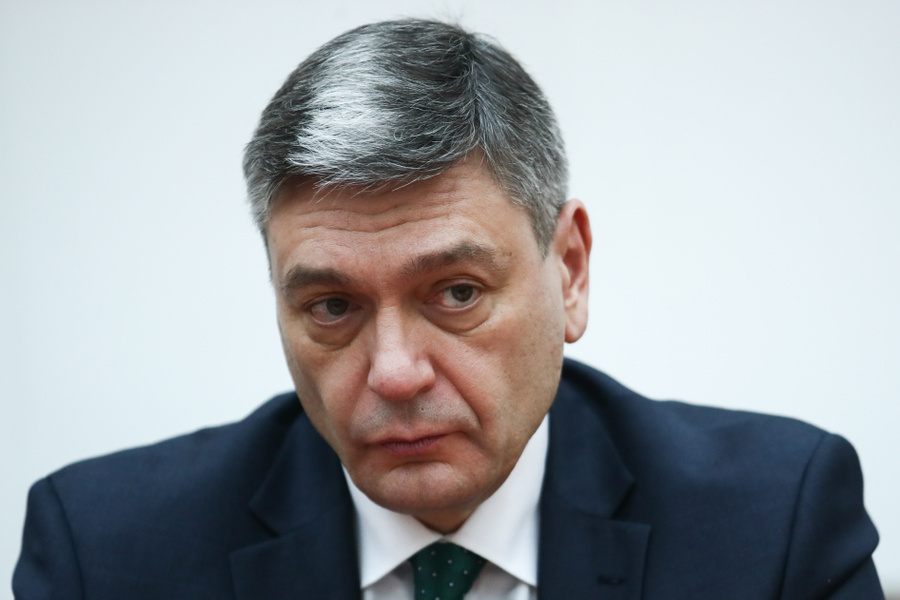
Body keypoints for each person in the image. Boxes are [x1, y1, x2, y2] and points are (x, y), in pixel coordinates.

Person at [14, 19, 883, 600]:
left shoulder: (776, 527)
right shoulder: (106, 553)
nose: (394, 374)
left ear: (569, 272)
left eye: (457, 293)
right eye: (332, 306)